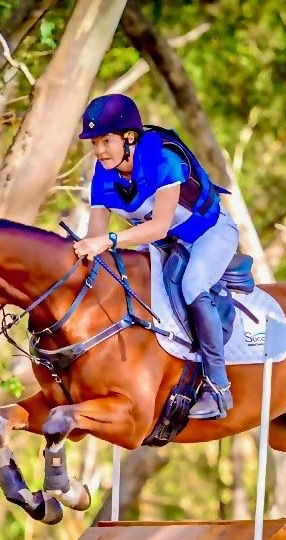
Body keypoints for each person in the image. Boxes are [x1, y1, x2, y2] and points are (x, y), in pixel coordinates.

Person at [72, 93, 238, 420]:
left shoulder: (163, 160)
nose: (99, 150)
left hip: (208, 234)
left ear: (129, 138)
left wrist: (109, 240)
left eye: (105, 141)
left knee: (192, 285)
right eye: (95, 143)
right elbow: (95, 235)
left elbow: (159, 227)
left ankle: (219, 389)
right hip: (165, 246)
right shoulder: (103, 174)